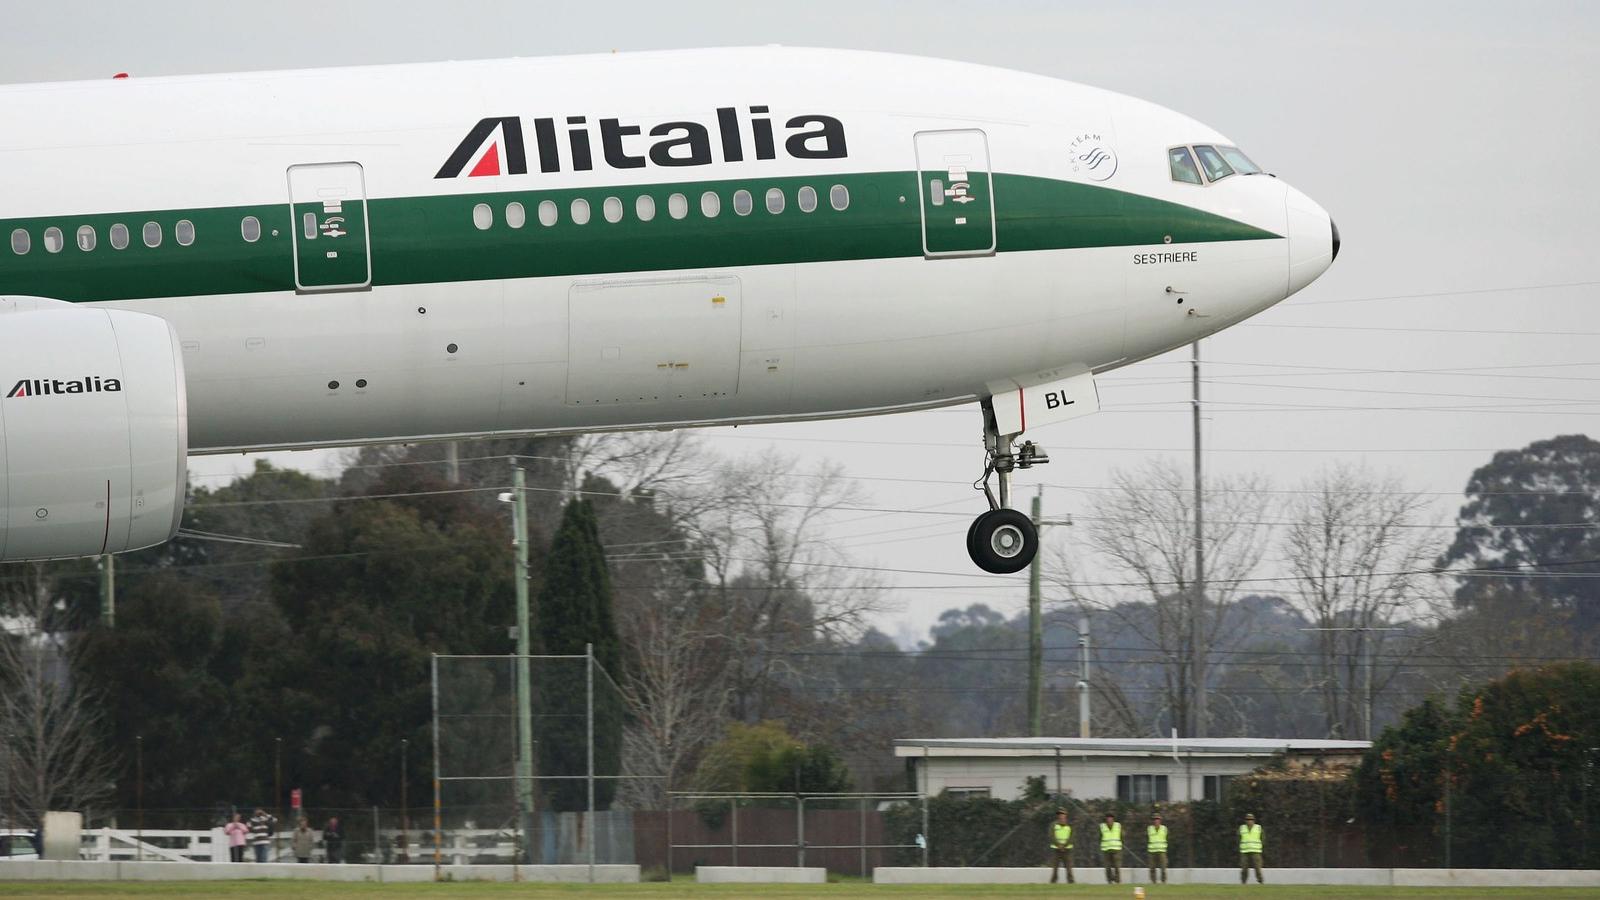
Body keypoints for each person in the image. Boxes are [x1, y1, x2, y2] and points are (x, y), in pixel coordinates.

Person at [1048, 808, 1074, 884]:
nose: (1061, 816)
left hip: (1067, 850)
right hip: (1056, 849)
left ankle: (1071, 881)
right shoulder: (1053, 825)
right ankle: (1053, 881)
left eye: (1062, 814)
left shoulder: (1070, 826)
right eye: (1059, 815)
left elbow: (1072, 837)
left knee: (1069, 867)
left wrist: (1064, 845)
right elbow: (1051, 836)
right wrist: (1058, 845)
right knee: (1055, 867)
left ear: (1066, 816)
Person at [1239, 811, 1265, 884]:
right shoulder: (1242, 828)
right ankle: (1243, 883)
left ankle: (1261, 882)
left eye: (1251, 819)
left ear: (1254, 820)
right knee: (1244, 869)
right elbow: (1238, 839)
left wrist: (1260, 847)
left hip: (1256, 851)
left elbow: (1263, 839)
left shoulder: (1258, 828)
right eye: (1247, 819)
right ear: (1245, 820)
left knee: (1257, 868)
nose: (1249, 821)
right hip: (1244, 851)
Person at [1098, 811, 1122, 884]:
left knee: (1117, 866)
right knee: (1107, 867)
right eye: (1108, 818)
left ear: (1113, 819)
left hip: (1116, 849)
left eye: (1111, 818)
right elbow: (1099, 837)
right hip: (1106, 850)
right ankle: (1109, 881)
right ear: (1106, 819)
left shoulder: (1118, 825)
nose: (1109, 820)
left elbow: (1122, 836)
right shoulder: (1102, 826)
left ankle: (1117, 881)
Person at [1146, 812, 1169, 884]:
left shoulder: (1164, 828)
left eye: (1157, 819)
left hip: (1162, 850)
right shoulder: (1150, 828)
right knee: (1152, 868)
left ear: (1160, 820)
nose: (1156, 821)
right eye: (1155, 819)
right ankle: (1153, 882)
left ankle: (1163, 881)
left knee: (1163, 867)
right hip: (1152, 851)